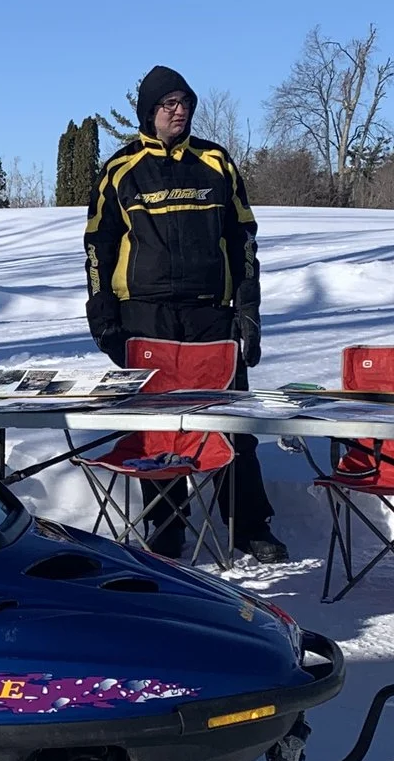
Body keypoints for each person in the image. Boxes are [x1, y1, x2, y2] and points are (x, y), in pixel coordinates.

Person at [84, 63, 287, 563]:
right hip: (144, 317)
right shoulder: (119, 170)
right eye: (169, 104)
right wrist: (103, 316)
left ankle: (247, 525)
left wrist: (250, 312)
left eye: (186, 103)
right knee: (160, 428)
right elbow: (97, 248)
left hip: (210, 317)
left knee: (230, 420)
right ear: (149, 111)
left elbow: (243, 243)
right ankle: (167, 525)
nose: (180, 112)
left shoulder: (217, 163)